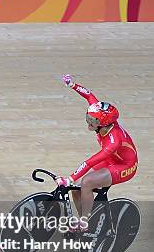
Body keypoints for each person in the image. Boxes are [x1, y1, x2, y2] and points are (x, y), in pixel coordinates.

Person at [56, 75, 138, 231]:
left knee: (86, 182)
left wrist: (69, 178)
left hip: (124, 166)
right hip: (112, 160)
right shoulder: (100, 113)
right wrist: (72, 84)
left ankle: (85, 223)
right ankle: (87, 220)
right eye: (89, 118)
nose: (89, 122)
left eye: (93, 122)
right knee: (76, 186)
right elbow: (89, 95)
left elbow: (91, 162)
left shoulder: (114, 141)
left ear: (103, 124)